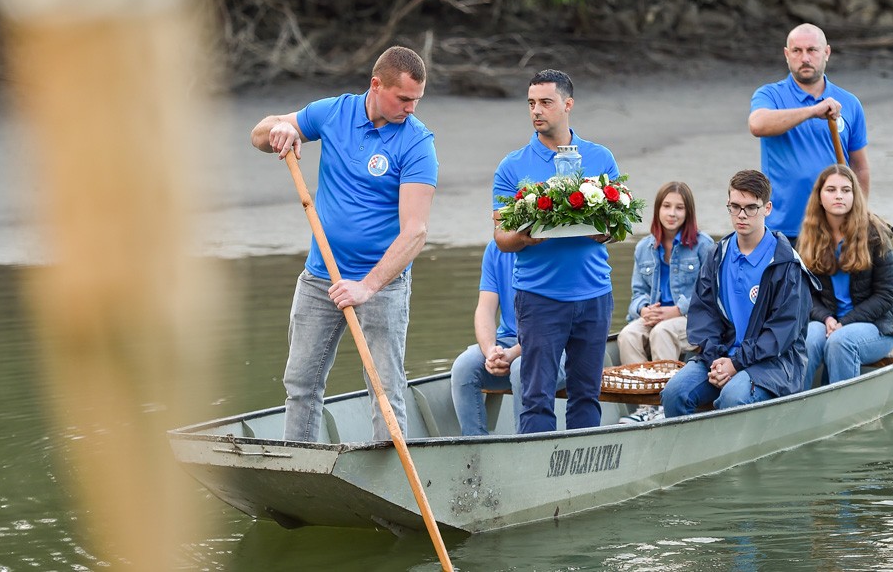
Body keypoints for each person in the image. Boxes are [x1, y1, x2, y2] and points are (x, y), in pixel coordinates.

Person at [250, 45, 438, 442]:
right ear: (376, 85)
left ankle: (389, 480)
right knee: (300, 384)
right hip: (320, 278)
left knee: (385, 388)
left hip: (381, 286)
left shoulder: (418, 142)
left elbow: (415, 231)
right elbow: (259, 134)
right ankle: (297, 470)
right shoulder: (334, 112)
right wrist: (278, 130)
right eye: (404, 99)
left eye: (417, 100)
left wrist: (367, 287)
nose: (412, 108)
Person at [493, 69, 618, 433]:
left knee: (586, 394)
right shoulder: (512, 166)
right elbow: (501, 237)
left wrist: (603, 235)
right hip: (539, 298)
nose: (537, 111)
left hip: (594, 294)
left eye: (545, 102)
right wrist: (527, 237)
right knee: (535, 397)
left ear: (568, 104)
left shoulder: (600, 157)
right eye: (531, 103)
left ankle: (584, 475)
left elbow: (616, 226)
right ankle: (536, 477)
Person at [661, 169, 812, 417]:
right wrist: (716, 360)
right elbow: (702, 315)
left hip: (773, 363)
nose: (742, 215)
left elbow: (781, 333)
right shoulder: (717, 254)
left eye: (751, 207)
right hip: (723, 356)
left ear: (767, 208)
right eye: (735, 207)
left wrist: (736, 364)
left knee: (733, 396)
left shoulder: (786, 264)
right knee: (675, 393)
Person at [748, 23, 870, 241]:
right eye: (797, 51)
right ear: (787, 55)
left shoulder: (850, 103)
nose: (805, 58)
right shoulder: (770, 95)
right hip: (782, 230)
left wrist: (860, 216)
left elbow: (859, 167)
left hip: (834, 228)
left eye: (812, 50)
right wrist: (813, 111)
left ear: (826, 53)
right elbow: (757, 125)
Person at [617, 181, 715, 423]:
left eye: (679, 208)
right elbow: (638, 291)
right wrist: (643, 309)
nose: (672, 213)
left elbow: (710, 292)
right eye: (666, 206)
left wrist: (677, 310)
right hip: (657, 315)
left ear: (688, 212)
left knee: (662, 332)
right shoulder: (644, 248)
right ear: (658, 210)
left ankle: (664, 405)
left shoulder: (704, 245)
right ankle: (645, 406)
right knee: (627, 334)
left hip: (693, 319)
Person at [796, 164, 893, 387]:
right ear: (819, 196)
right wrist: (827, 318)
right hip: (828, 321)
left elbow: (886, 295)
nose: (839, 196)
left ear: (855, 195)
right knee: (808, 338)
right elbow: (804, 293)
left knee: (840, 342)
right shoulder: (809, 237)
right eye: (831, 190)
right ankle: (795, 408)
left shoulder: (875, 234)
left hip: (875, 327)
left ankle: (841, 409)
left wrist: (845, 323)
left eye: (846, 190)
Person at [449, 242, 566, 435]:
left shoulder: (551, 246)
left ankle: (522, 450)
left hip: (557, 348)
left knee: (522, 369)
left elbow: (551, 324)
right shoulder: (495, 249)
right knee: (464, 367)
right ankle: (476, 451)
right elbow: (485, 309)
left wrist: (512, 354)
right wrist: (490, 352)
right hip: (509, 344)